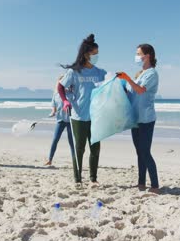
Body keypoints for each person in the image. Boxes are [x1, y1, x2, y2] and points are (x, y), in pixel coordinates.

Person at [58, 34, 107, 184]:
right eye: (94, 54)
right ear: (86, 54)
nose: (96, 56)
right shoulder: (74, 72)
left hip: (96, 116)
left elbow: (111, 85)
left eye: (97, 54)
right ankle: (78, 179)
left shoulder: (100, 72)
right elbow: (60, 86)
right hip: (78, 116)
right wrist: (65, 101)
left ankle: (93, 179)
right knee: (79, 149)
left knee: (95, 148)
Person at [117, 44, 160, 194]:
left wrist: (127, 78)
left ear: (147, 55)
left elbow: (140, 90)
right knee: (139, 151)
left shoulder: (152, 74)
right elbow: (131, 93)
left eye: (138, 53)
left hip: (146, 119)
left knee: (145, 151)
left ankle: (155, 185)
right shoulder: (141, 74)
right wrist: (121, 85)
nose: (136, 56)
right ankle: (141, 183)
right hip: (136, 119)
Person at [45, 76, 75, 166]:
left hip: (70, 121)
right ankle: (50, 160)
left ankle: (75, 161)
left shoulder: (72, 94)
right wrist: (52, 113)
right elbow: (54, 109)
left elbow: (76, 107)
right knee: (55, 140)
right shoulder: (55, 95)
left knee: (71, 141)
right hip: (60, 121)